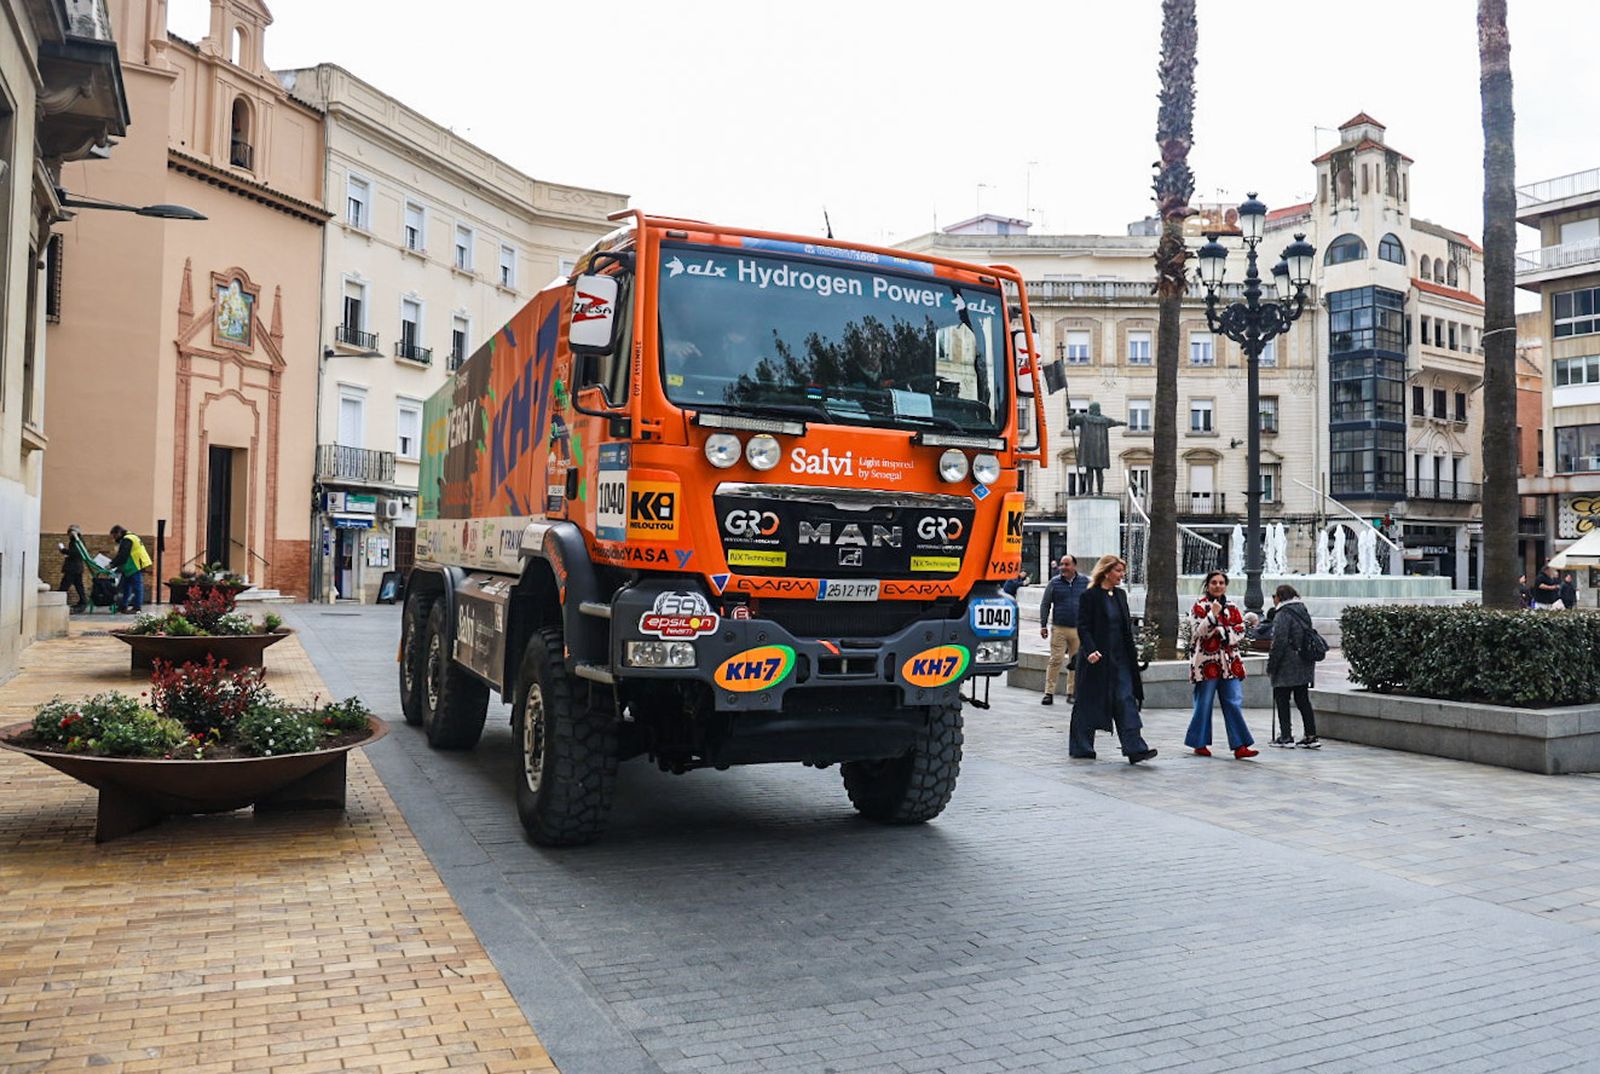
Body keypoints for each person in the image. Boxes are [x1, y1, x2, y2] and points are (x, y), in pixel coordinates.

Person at [1068, 555, 1157, 764]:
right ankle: (1081, 746)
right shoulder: (1089, 596)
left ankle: (1135, 748)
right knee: (1088, 703)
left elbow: (1126, 628)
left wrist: (1135, 654)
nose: (1121, 575)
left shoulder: (1120, 595)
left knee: (1126, 700)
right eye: (1118, 571)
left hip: (1121, 660)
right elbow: (1084, 626)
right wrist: (1090, 649)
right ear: (1106, 572)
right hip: (1096, 661)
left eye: (1122, 571)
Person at [1183, 570, 1258, 759]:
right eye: (1214, 582)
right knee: (1204, 702)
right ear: (1208, 585)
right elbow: (1198, 632)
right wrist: (1212, 617)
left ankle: (1240, 745)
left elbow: (1240, 629)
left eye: (1221, 583)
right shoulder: (1199, 606)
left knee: (1233, 701)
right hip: (1206, 663)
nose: (1218, 586)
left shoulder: (1232, 606)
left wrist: (1222, 632)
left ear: (1226, 585)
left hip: (1230, 663)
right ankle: (1199, 743)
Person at [1265, 584, 1320, 748]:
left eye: (1274, 596)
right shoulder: (1302, 611)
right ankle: (1311, 735)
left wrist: (1271, 666)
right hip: (1304, 660)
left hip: (1286, 664)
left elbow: (1279, 642)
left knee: (1282, 698)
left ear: (1279, 597)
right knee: (1302, 699)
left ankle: (1286, 736)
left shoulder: (1282, 614)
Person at [1038, 556, 1087, 705]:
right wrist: (1043, 625)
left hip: (1078, 629)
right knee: (1055, 659)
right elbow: (1045, 604)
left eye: (1066, 564)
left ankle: (1072, 692)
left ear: (1074, 566)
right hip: (1059, 628)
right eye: (1061, 564)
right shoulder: (1054, 582)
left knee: (1075, 662)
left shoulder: (1085, 582)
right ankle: (1049, 693)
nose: (1063, 567)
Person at [107, 525, 151, 614]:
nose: (114, 539)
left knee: (137, 587)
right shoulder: (130, 537)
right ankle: (123, 606)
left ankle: (137, 607)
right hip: (130, 566)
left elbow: (123, 555)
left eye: (115, 536)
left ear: (119, 533)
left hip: (135, 565)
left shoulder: (128, 539)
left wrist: (112, 564)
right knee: (126, 586)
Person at [56, 524, 88, 613]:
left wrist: (63, 550)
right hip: (76, 568)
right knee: (79, 586)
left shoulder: (77, 541)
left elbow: (76, 553)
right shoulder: (76, 541)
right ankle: (83, 602)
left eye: (70, 533)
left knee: (64, 586)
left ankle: (58, 602)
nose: (69, 535)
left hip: (73, 568)